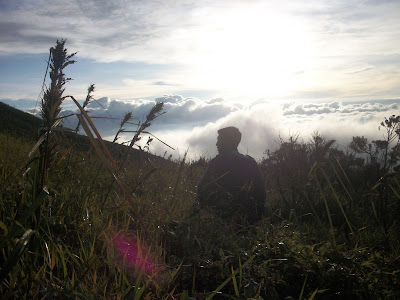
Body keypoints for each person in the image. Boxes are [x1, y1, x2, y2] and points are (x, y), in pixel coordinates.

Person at [198, 126, 266, 223]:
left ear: (228, 142)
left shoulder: (217, 162)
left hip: (221, 220)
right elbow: (261, 193)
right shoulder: (251, 162)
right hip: (249, 220)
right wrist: (257, 217)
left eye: (220, 140)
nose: (217, 144)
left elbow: (201, 190)